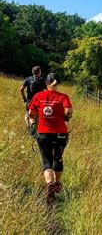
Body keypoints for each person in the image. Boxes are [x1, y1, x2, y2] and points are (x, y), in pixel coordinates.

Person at [28, 73, 73, 204]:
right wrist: (66, 116)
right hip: (60, 133)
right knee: (57, 157)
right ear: (56, 84)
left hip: (43, 133)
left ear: (46, 83)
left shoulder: (38, 96)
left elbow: (31, 113)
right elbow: (69, 111)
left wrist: (35, 122)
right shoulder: (63, 97)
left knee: (46, 159)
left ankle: (49, 184)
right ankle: (57, 182)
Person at [20, 66, 47, 134]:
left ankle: (31, 126)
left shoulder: (28, 79)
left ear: (33, 72)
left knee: (28, 115)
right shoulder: (42, 80)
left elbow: (21, 89)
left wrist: (24, 98)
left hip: (29, 102)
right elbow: (47, 91)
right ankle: (36, 131)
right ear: (39, 72)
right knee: (38, 116)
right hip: (39, 103)